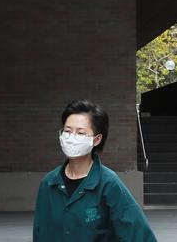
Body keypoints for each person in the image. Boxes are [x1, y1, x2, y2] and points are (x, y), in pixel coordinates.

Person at [33, 100, 157, 241]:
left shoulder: (108, 184)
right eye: (67, 131)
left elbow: (139, 234)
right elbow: (40, 233)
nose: (71, 138)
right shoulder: (49, 184)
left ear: (96, 140)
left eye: (80, 133)